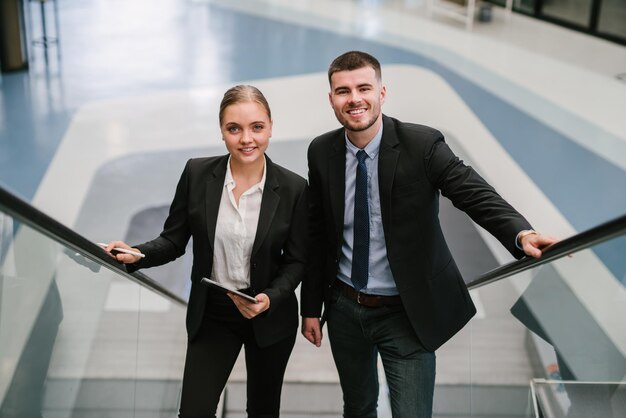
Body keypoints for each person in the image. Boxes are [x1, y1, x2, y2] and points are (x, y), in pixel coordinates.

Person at [300, 51, 557, 418]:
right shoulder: (321, 151)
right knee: (357, 407)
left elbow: (471, 191)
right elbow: (318, 232)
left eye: (363, 88)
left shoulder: (420, 145)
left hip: (405, 312)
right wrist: (310, 307)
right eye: (343, 91)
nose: (354, 99)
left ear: (382, 93)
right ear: (331, 99)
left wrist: (520, 233)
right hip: (344, 308)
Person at [104, 85, 308, 418]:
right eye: (234, 129)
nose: (246, 139)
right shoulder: (197, 174)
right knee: (194, 411)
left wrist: (270, 297)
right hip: (214, 313)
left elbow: (298, 260)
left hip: (269, 314)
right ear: (222, 131)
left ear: (271, 126)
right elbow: (173, 240)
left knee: (263, 410)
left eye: (256, 127)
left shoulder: (294, 188)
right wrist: (138, 253)